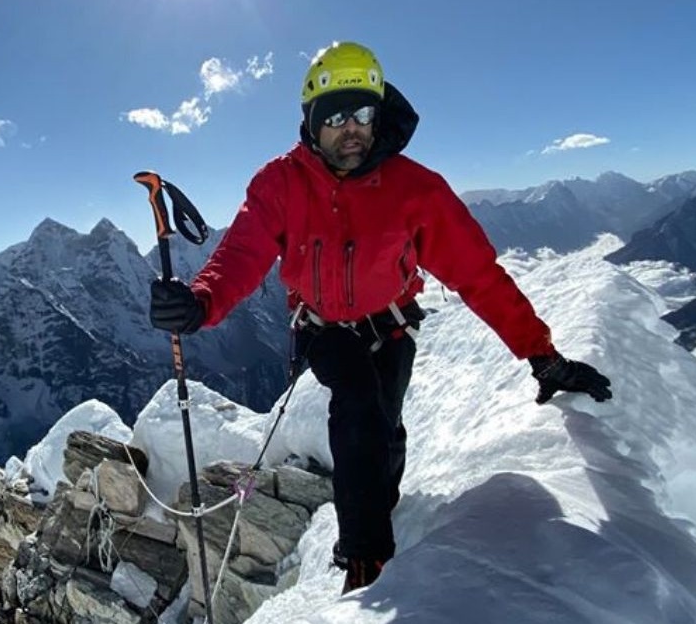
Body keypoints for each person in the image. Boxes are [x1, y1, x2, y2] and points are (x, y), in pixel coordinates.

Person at [149, 41, 611, 593]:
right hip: (321, 331)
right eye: (337, 115)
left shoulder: (418, 190)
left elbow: (479, 276)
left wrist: (542, 355)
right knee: (360, 413)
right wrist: (200, 301)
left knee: (386, 428)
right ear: (311, 124)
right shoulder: (281, 183)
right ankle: (365, 560)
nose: (353, 128)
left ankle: (379, 507)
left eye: (364, 113)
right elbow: (242, 254)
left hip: (392, 326)